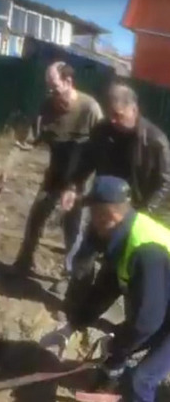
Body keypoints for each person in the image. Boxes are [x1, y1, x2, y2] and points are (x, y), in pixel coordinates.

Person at [61, 82, 170, 315]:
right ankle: (74, 306)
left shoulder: (155, 141)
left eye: (118, 115)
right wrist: (73, 186)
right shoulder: (103, 131)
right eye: (109, 114)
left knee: (123, 270)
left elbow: (165, 183)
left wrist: (142, 215)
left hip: (137, 213)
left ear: (134, 109)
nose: (113, 120)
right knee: (84, 256)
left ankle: (133, 321)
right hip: (104, 206)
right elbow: (87, 160)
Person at [58, 175, 170, 402]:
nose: (90, 223)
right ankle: (108, 386)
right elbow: (105, 289)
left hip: (162, 316)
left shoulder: (146, 251)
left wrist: (116, 344)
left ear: (106, 216)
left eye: (92, 215)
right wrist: (73, 324)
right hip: (165, 309)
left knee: (141, 380)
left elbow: (147, 323)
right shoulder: (124, 237)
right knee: (120, 348)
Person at [13, 61, 103, 277]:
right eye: (48, 87)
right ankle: (25, 261)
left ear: (68, 82)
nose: (51, 93)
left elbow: (102, 149)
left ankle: (71, 275)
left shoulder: (89, 109)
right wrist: (20, 146)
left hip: (80, 177)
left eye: (54, 87)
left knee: (73, 225)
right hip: (55, 173)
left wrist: (77, 186)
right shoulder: (47, 107)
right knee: (37, 214)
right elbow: (34, 137)